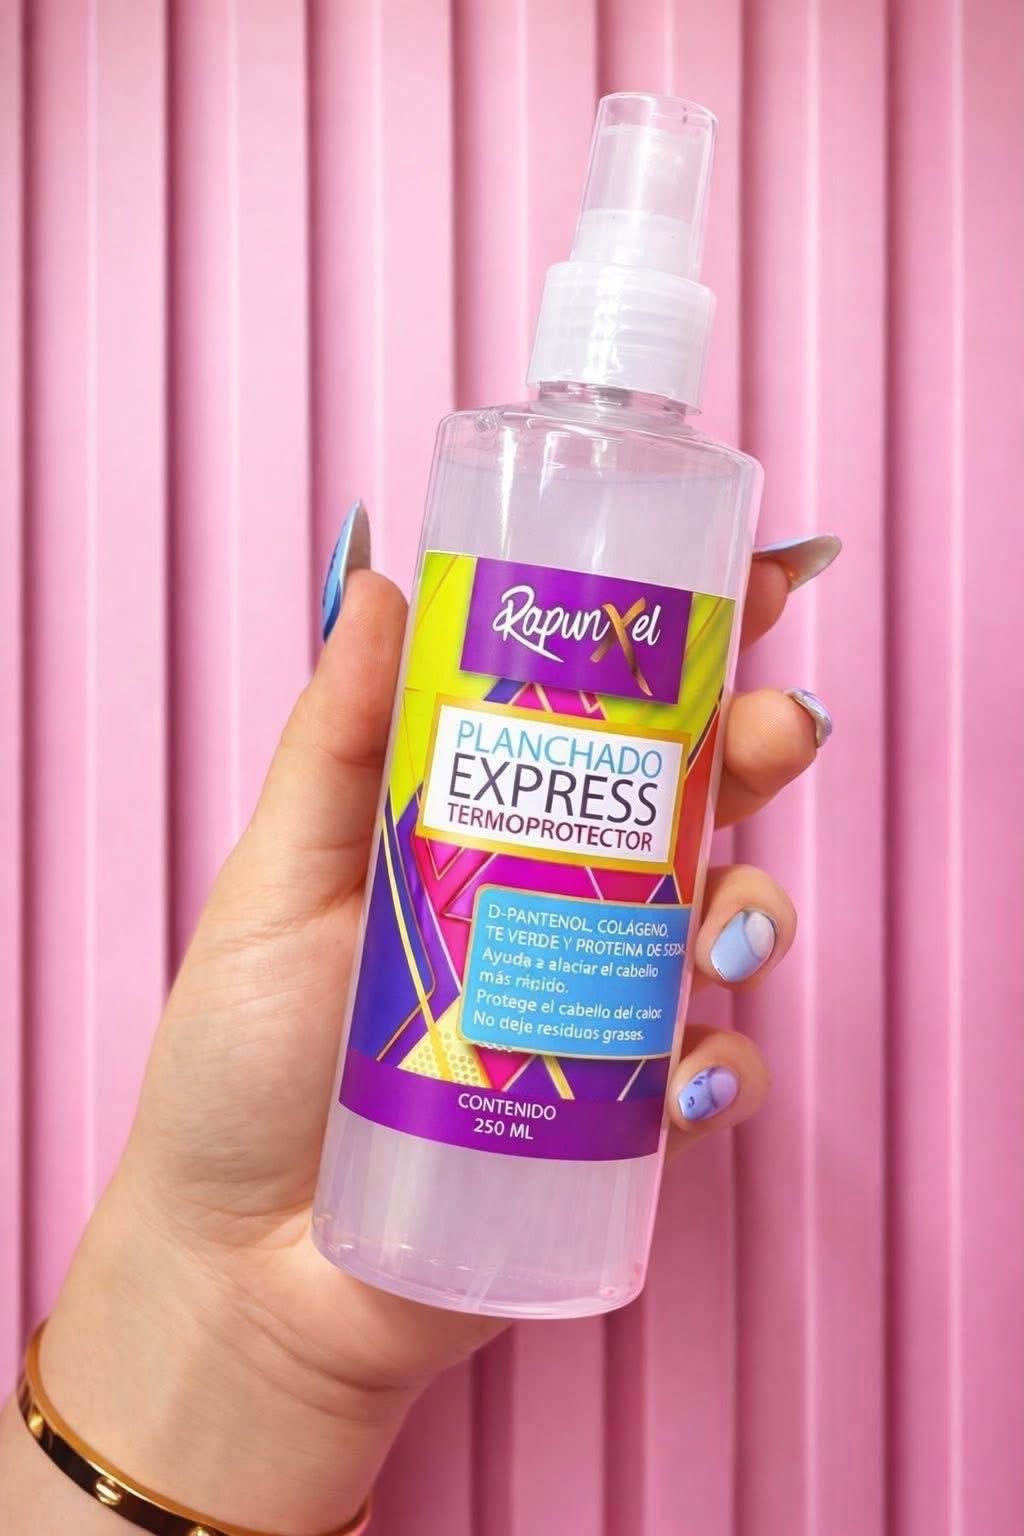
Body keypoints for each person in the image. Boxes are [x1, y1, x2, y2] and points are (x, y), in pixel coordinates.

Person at [0, 516, 838, 1536]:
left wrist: (265, 1360)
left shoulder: (691, 504)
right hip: (375, 1150)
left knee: (656, 824)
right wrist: (227, 1307)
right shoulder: (498, 465)